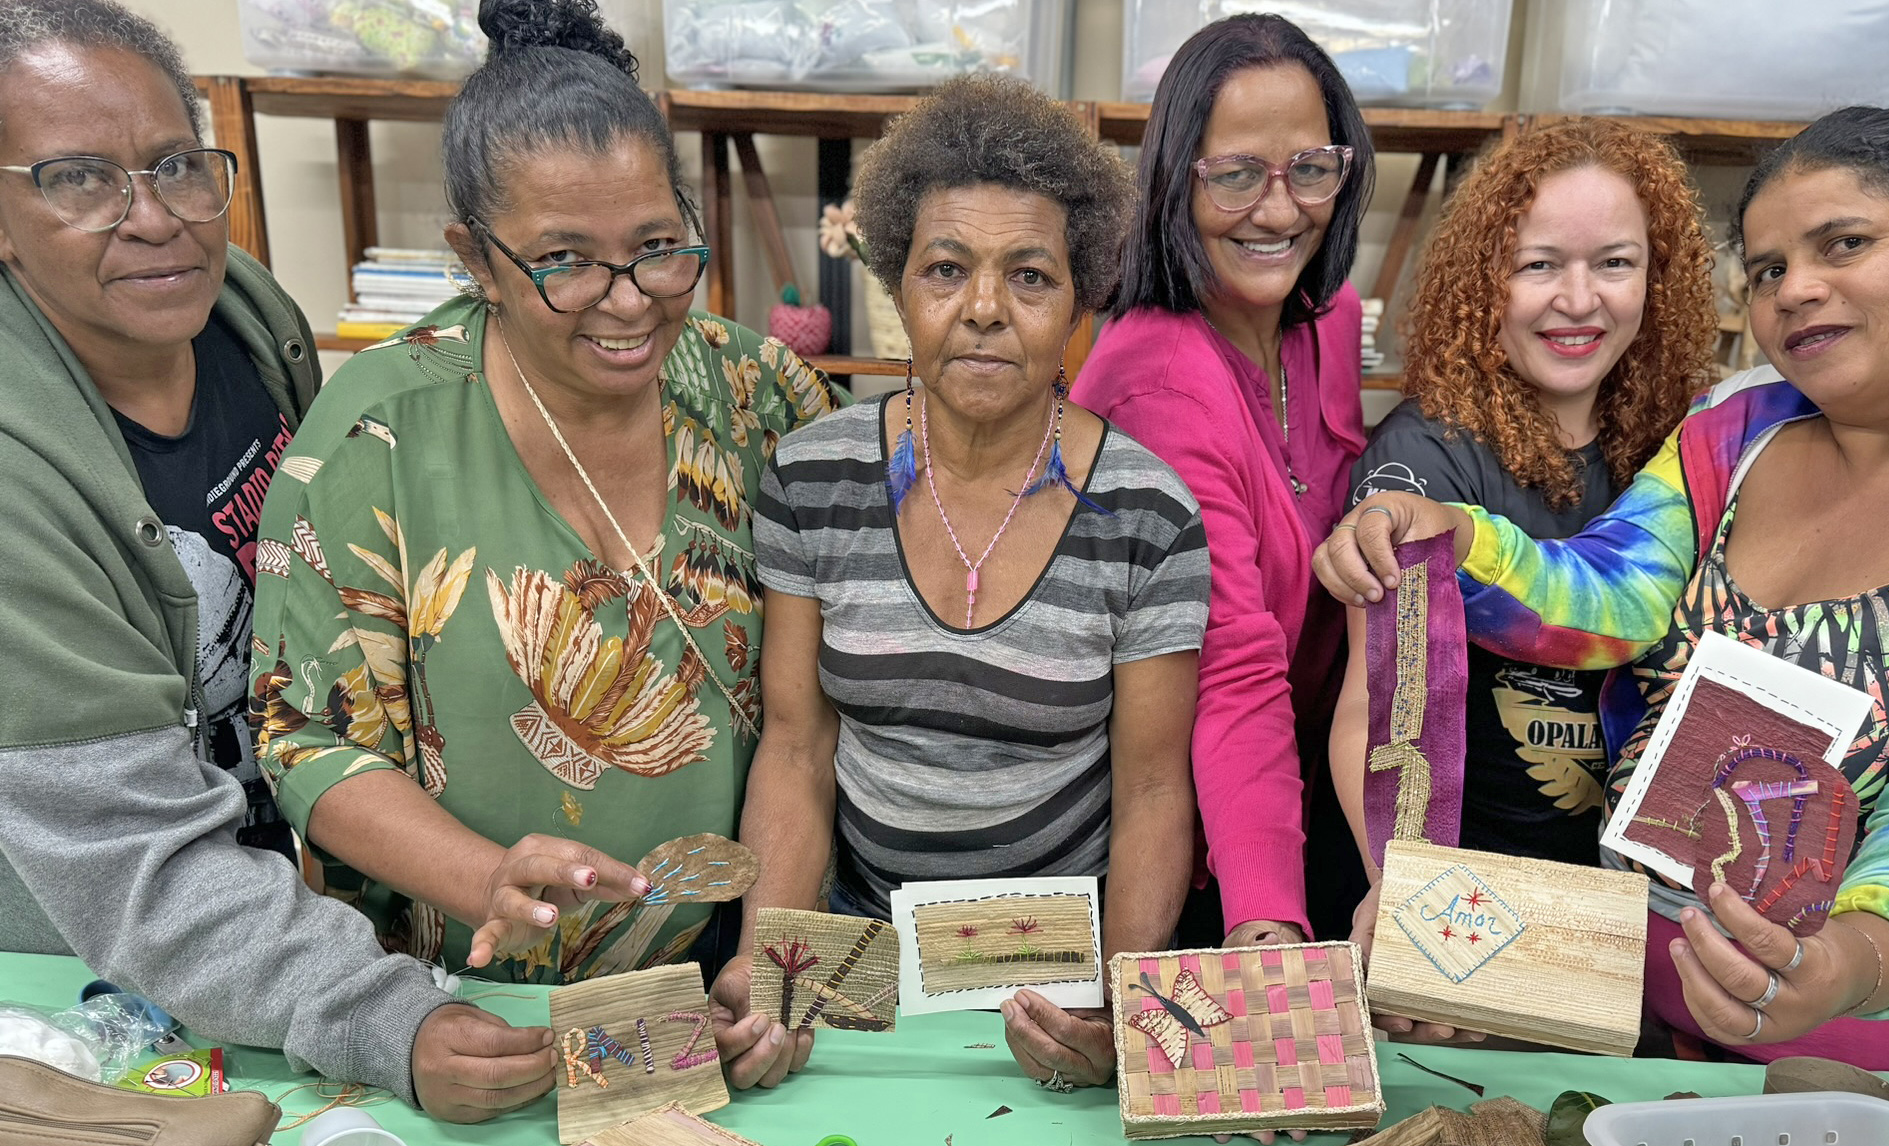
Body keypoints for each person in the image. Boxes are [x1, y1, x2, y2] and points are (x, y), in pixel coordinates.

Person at [1317, 106, 1889, 1076]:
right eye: (1768, 269)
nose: (1796, 289)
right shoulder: (1734, 423)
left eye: (1843, 243)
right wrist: (1456, 537)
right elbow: (1610, 597)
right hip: (1636, 1004)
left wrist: (1833, 964)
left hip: (1880, 1042)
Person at [247, 0, 838, 1089]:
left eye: (658, 250)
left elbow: (805, 726)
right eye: (564, 260)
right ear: (474, 255)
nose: (627, 304)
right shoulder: (376, 436)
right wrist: (484, 877)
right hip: (467, 1002)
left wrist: (773, 956)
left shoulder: (760, 397)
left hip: (712, 988)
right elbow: (304, 744)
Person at [0, 0, 548, 1121]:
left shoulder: (245, 320)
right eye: (77, 180)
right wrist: (379, 1009)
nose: (152, 219)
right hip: (98, 990)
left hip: (276, 920)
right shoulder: (18, 483)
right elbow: (131, 860)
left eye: (174, 165)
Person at [717, 73, 1208, 1096]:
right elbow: (800, 750)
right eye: (946, 269)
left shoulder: (1147, 512)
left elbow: (1153, 787)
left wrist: (1113, 998)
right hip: (858, 952)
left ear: (1080, 296)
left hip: (1048, 973)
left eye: (1029, 277)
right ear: (899, 286)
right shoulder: (813, 479)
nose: (983, 309)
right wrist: (775, 963)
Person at [1329, 119, 1715, 914]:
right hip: (1463, 887)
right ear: (1483, 281)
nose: (1579, 300)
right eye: (1538, 265)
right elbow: (1376, 715)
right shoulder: (1424, 456)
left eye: (1615, 263)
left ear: (1660, 277)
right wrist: (1404, 895)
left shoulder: (1688, 447)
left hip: (1630, 900)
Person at [1069, 12, 1372, 956]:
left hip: (1308, 793)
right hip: (1189, 844)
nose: (1280, 212)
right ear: (1174, 181)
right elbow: (1231, 664)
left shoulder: (1324, 320)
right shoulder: (1159, 380)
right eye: (1237, 174)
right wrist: (1267, 921)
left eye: (1311, 169)